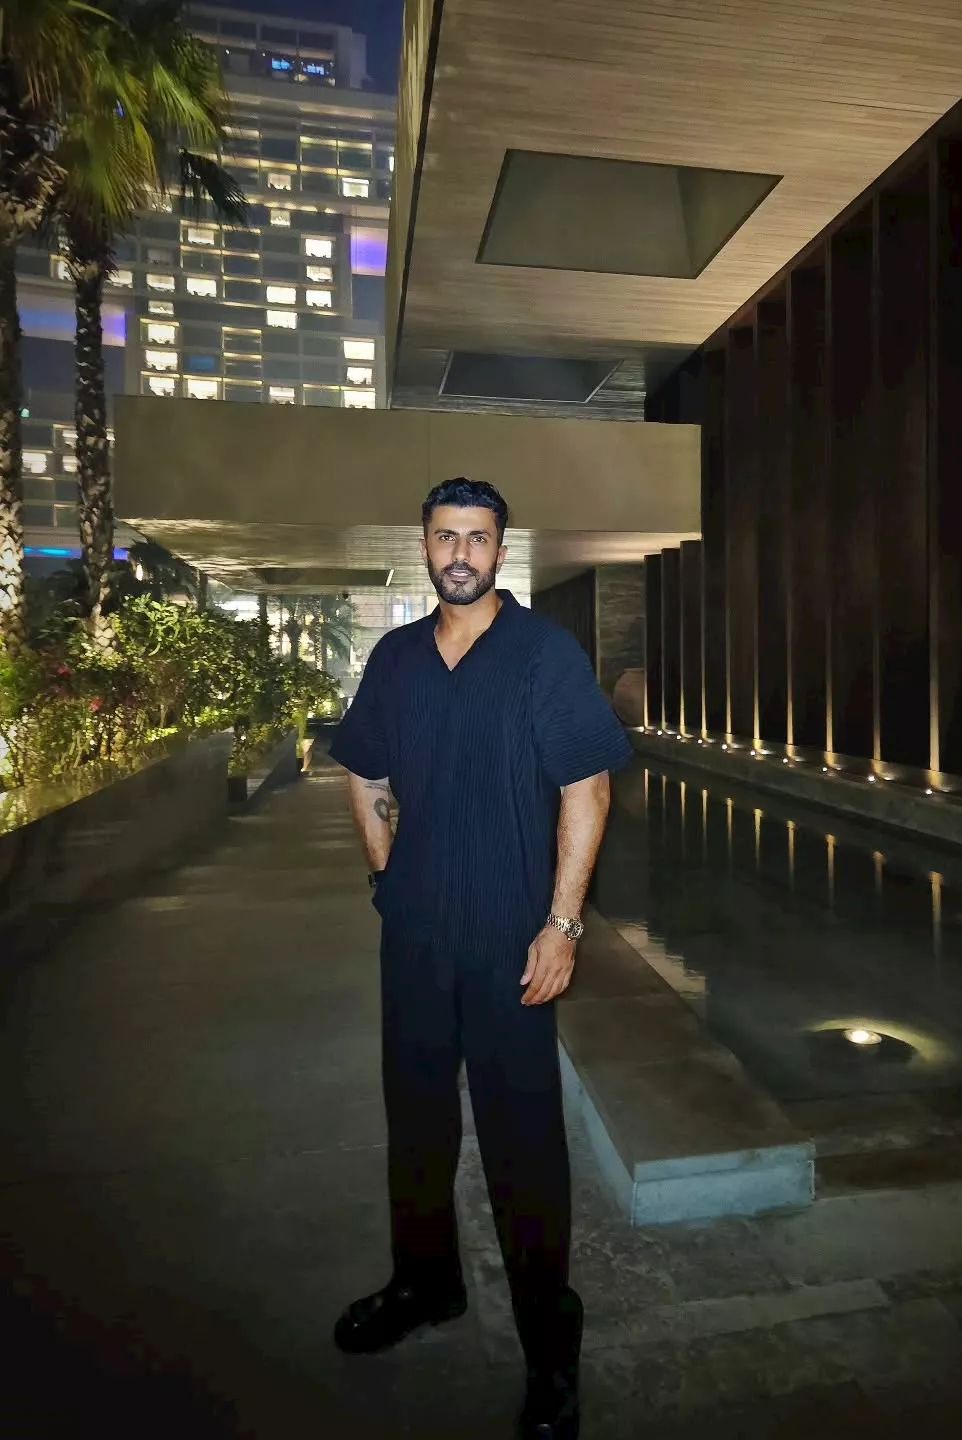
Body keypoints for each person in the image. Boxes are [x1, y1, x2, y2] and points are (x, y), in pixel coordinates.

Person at [328, 477, 632, 1439]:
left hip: (511, 943)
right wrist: (387, 875)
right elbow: (365, 771)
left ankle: (550, 1349)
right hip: (415, 936)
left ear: (501, 549)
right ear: (423, 545)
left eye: (478, 537)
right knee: (416, 1125)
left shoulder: (543, 653)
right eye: (445, 535)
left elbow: (587, 789)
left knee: (522, 1146)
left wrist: (563, 926)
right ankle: (426, 1284)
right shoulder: (396, 658)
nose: (460, 552)